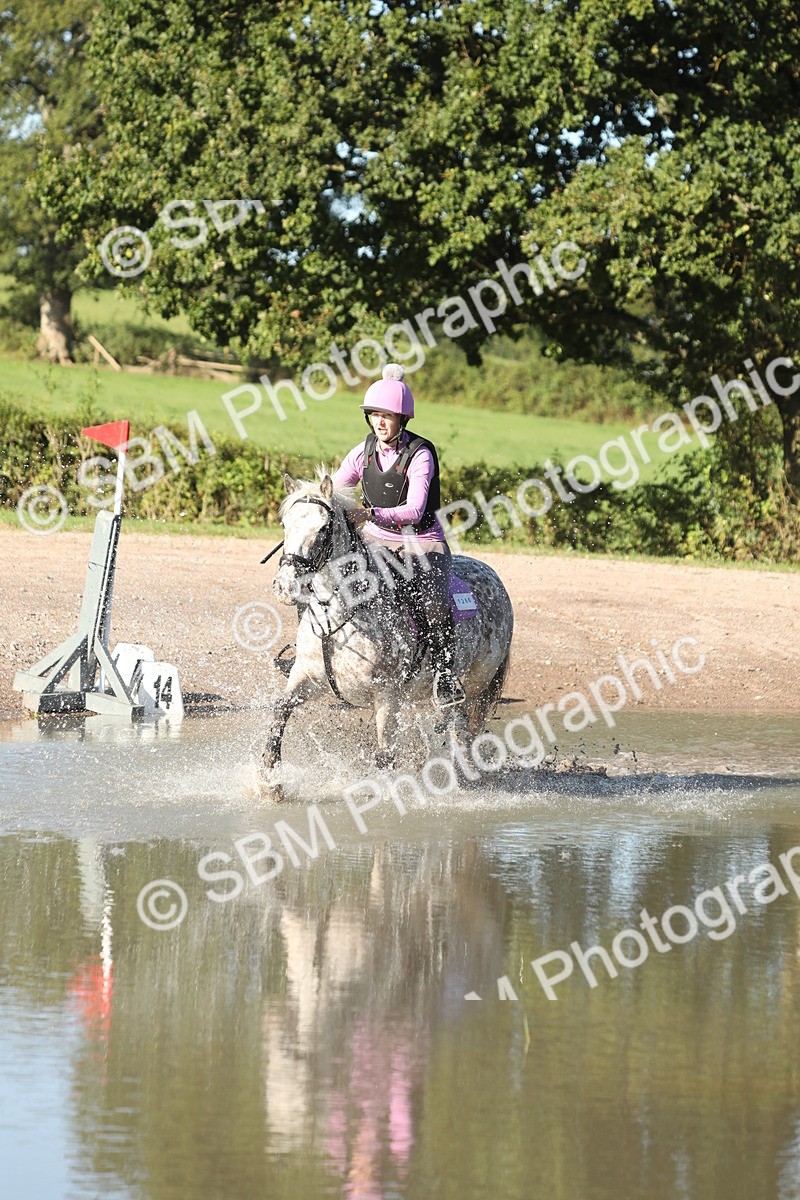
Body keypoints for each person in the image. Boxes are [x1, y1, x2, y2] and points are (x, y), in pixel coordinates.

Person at [331, 363, 465, 708]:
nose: (380, 422)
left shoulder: (420, 454)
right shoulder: (363, 451)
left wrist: (369, 513)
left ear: (402, 419)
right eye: (375, 415)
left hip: (421, 543)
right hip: (375, 539)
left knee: (433, 604)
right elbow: (337, 485)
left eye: (387, 416)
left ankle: (446, 677)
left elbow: (415, 510)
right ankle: (318, 656)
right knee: (330, 582)